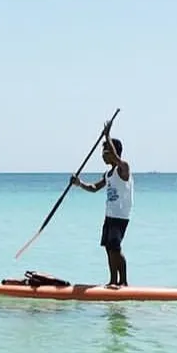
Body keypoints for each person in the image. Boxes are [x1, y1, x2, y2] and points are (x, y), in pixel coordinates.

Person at [70, 122, 133, 287]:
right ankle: (113, 281)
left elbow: (115, 156)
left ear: (113, 153)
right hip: (109, 215)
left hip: (120, 216)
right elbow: (94, 188)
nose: (102, 156)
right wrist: (79, 183)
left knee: (115, 248)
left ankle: (124, 282)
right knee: (108, 248)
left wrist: (107, 135)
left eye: (105, 152)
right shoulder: (108, 174)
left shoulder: (123, 168)